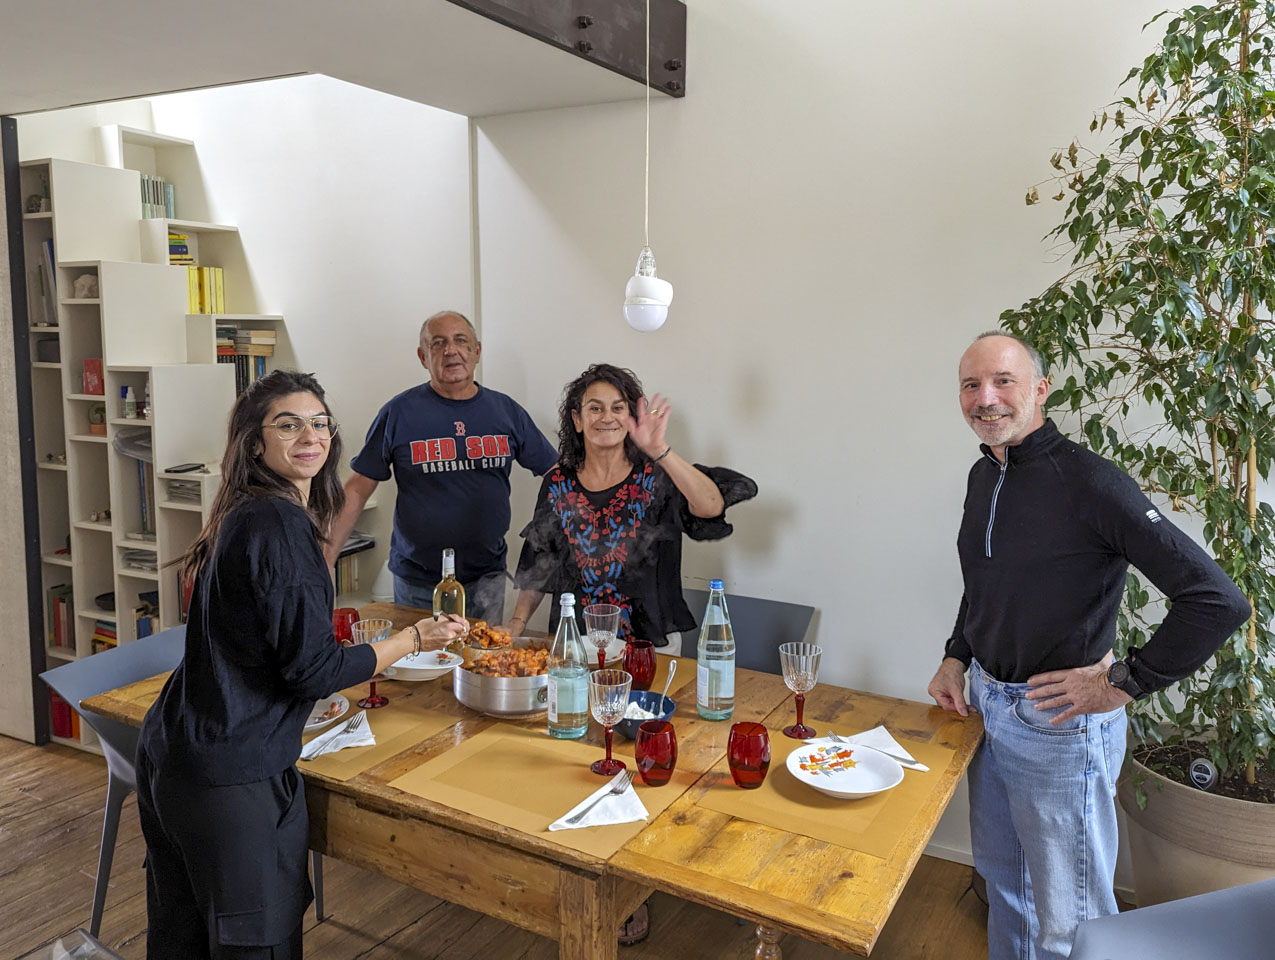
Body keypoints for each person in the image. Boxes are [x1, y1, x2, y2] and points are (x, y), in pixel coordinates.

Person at [928, 332, 1250, 960]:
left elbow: (1218, 600)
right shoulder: (983, 475)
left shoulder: (1091, 482)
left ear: (1041, 390)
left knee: (1070, 921)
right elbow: (985, 582)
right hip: (987, 707)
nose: (985, 398)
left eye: (1003, 381)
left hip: (1058, 725)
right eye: (971, 385)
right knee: (1005, 887)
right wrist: (955, 656)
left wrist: (1122, 683)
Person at [136, 371, 466, 959]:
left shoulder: (244, 510)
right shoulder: (280, 525)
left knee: (183, 940)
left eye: (319, 423)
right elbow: (314, 671)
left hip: (178, 754)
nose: (310, 436)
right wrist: (414, 638)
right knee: (254, 946)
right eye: (288, 425)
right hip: (231, 774)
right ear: (254, 442)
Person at [326, 311, 557, 623]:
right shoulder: (398, 413)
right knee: (418, 655)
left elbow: (556, 475)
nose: (451, 350)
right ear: (423, 357)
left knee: (482, 654)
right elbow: (357, 488)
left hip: (486, 579)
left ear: (477, 350)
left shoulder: (506, 412)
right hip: (418, 582)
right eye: (438, 343)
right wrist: (326, 557)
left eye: (460, 340)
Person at [511, 362, 757, 651]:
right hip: (577, 642)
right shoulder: (557, 483)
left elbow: (711, 507)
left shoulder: (656, 476)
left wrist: (659, 450)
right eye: (595, 408)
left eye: (618, 408)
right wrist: (517, 622)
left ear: (631, 418)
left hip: (650, 644)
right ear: (577, 419)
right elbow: (540, 561)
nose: (607, 417)